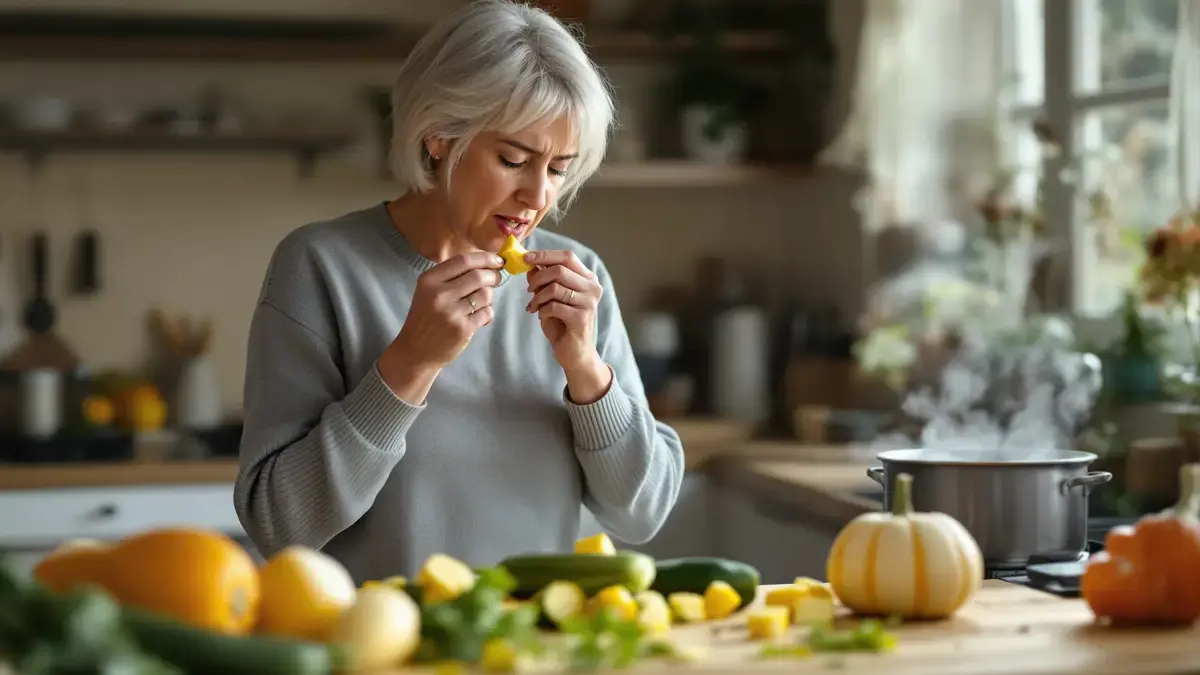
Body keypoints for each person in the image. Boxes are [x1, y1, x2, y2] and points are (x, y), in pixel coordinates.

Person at [233, 0, 686, 582]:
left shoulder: (579, 278)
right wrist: (408, 365)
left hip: (538, 650)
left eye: (559, 168)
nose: (537, 196)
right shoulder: (321, 267)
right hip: (385, 653)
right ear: (439, 137)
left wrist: (585, 369)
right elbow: (278, 524)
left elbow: (644, 514)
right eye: (514, 159)